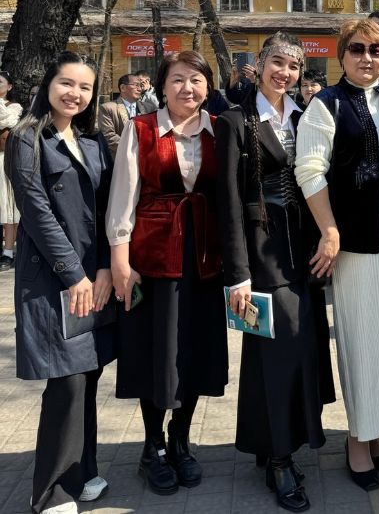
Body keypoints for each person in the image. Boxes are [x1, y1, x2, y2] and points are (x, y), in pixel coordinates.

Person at [295, 18, 379, 491]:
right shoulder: (325, 105)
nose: (368, 58)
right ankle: (357, 440)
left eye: (377, 50)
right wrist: (329, 230)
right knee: (362, 342)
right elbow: (310, 172)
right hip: (357, 244)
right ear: (341, 54)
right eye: (358, 49)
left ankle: (378, 434)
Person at [216, 32, 334, 512]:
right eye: (277, 62)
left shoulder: (306, 117)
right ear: (259, 63)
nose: (284, 73)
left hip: (303, 252)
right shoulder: (235, 121)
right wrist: (237, 273)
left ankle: (275, 446)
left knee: (301, 350)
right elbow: (227, 201)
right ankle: (280, 459)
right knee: (277, 353)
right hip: (262, 253)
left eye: (294, 66)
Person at [107, 51, 228, 495]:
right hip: (154, 259)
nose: (187, 88)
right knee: (156, 352)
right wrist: (120, 261)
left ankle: (180, 439)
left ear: (208, 87)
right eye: (177, 79)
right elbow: (123, 196)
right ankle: (152, 446)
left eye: (196, 79)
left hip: (204, 259)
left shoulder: (220, 129)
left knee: (194, 351)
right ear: (162, 86)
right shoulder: (141, 129)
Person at [5, 52, 115, 514]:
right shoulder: (26, 138)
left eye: (85, 87)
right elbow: (37, 213)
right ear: (48, 84)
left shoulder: (92, 140)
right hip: (53, 280)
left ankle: (82, 472)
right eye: (66, 83)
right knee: (66, 382)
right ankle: (49, 491)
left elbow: (108, 208)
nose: (75, 93)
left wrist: (105, 268)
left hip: (94, 276)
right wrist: (74, 276)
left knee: (87, 376)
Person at [0, 71, 23, 270]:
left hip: (4, 159)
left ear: (9, 87)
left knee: (8, 207)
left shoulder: (14, 108)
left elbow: (7, 121)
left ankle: (8, 252)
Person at [98, 74, 147, 155]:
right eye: (136, 85)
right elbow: (109, 136)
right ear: (123, 88)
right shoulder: (108, 108)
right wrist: (135, 149)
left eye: (141, 85)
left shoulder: (148, 108)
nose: (139, 89)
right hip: (120, 157)